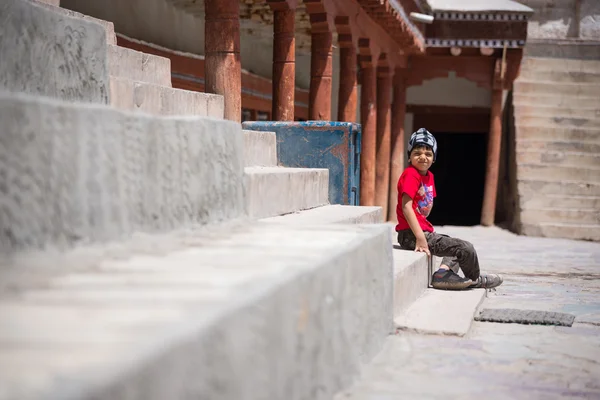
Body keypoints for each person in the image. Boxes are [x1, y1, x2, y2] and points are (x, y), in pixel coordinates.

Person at [395, 128, 503, 290]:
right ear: (409, 156)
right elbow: (406, 206)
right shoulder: (411, 175)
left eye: (428, 154)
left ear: (434, 158)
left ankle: (442, 274)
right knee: (465, 248)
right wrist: (420, 237)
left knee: (451, 245)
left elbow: (425, 206)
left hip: (422, 231)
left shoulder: (429, 176)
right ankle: (474, 279)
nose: (423, 157)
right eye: (417, 153)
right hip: (409, 234)